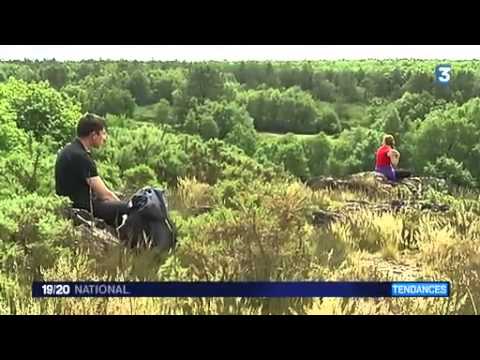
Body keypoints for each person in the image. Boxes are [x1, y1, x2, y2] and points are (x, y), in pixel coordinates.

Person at [55, 113, 129, 227]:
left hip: (69, 203)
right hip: (83, 207)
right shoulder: (82, 157)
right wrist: (123, 206)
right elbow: (104, 195)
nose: (105, 138)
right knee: (129, 207)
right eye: (103, 133)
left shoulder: (69, 149)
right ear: (94, 135)